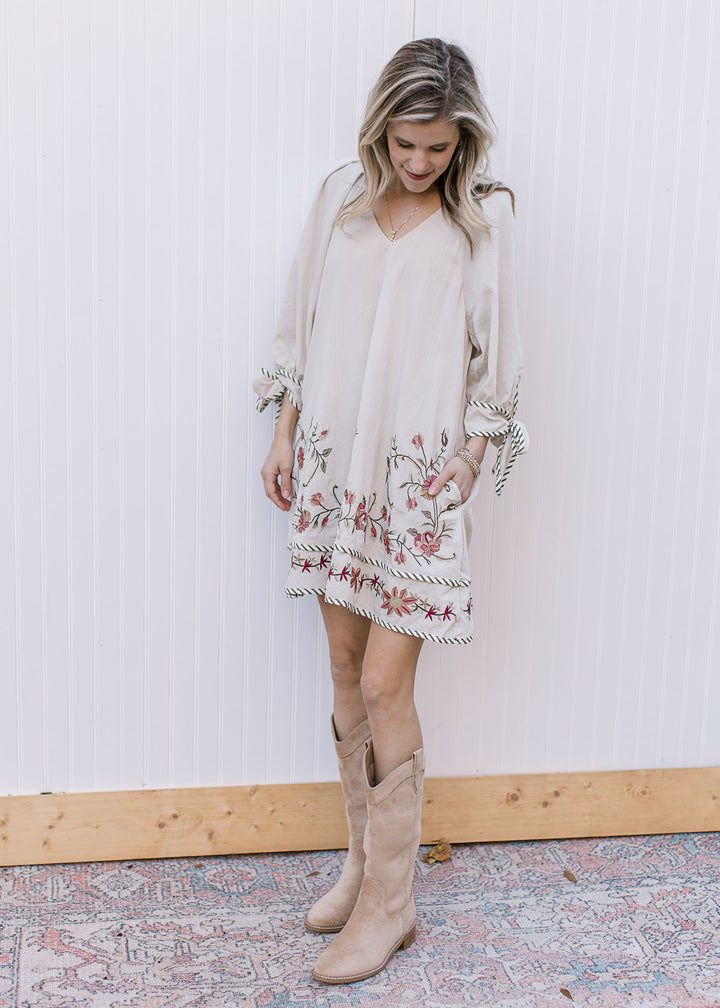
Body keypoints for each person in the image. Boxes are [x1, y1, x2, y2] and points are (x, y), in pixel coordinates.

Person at [254, 37, 527, 985]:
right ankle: (363, 868)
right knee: (340, 663)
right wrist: (284, 431)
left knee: (383, 684)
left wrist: (468, 459)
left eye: (438, 150)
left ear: (463, 144)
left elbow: (499, 352)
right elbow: (302, 317)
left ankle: (392, 904)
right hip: (334, 465)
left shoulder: (481, 223)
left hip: (410, 479)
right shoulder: (340, 198)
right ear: (382, 129)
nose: (420, 165)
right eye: (407, 145)